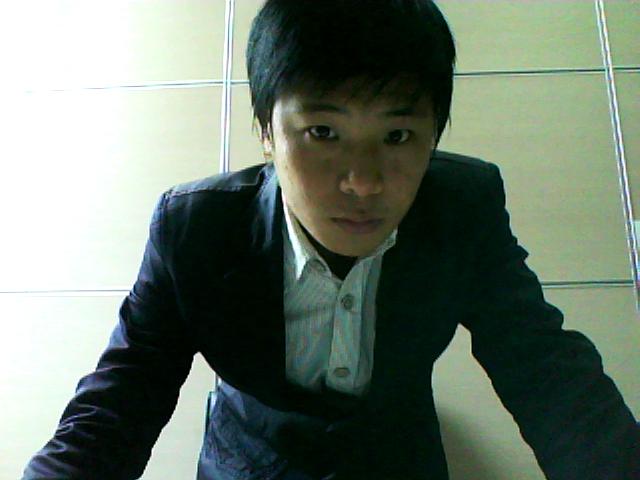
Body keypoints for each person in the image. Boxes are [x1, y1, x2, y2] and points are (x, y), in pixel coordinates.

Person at [22, 1, 639, 479]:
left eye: (397, 136)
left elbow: (549, 371)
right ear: (267, 132)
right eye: (322, 132)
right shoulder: (194, 230)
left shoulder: (464, 208)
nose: (363, 182)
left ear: (434, 133)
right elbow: (120, 399)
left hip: (398, 447)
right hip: (250, 452)